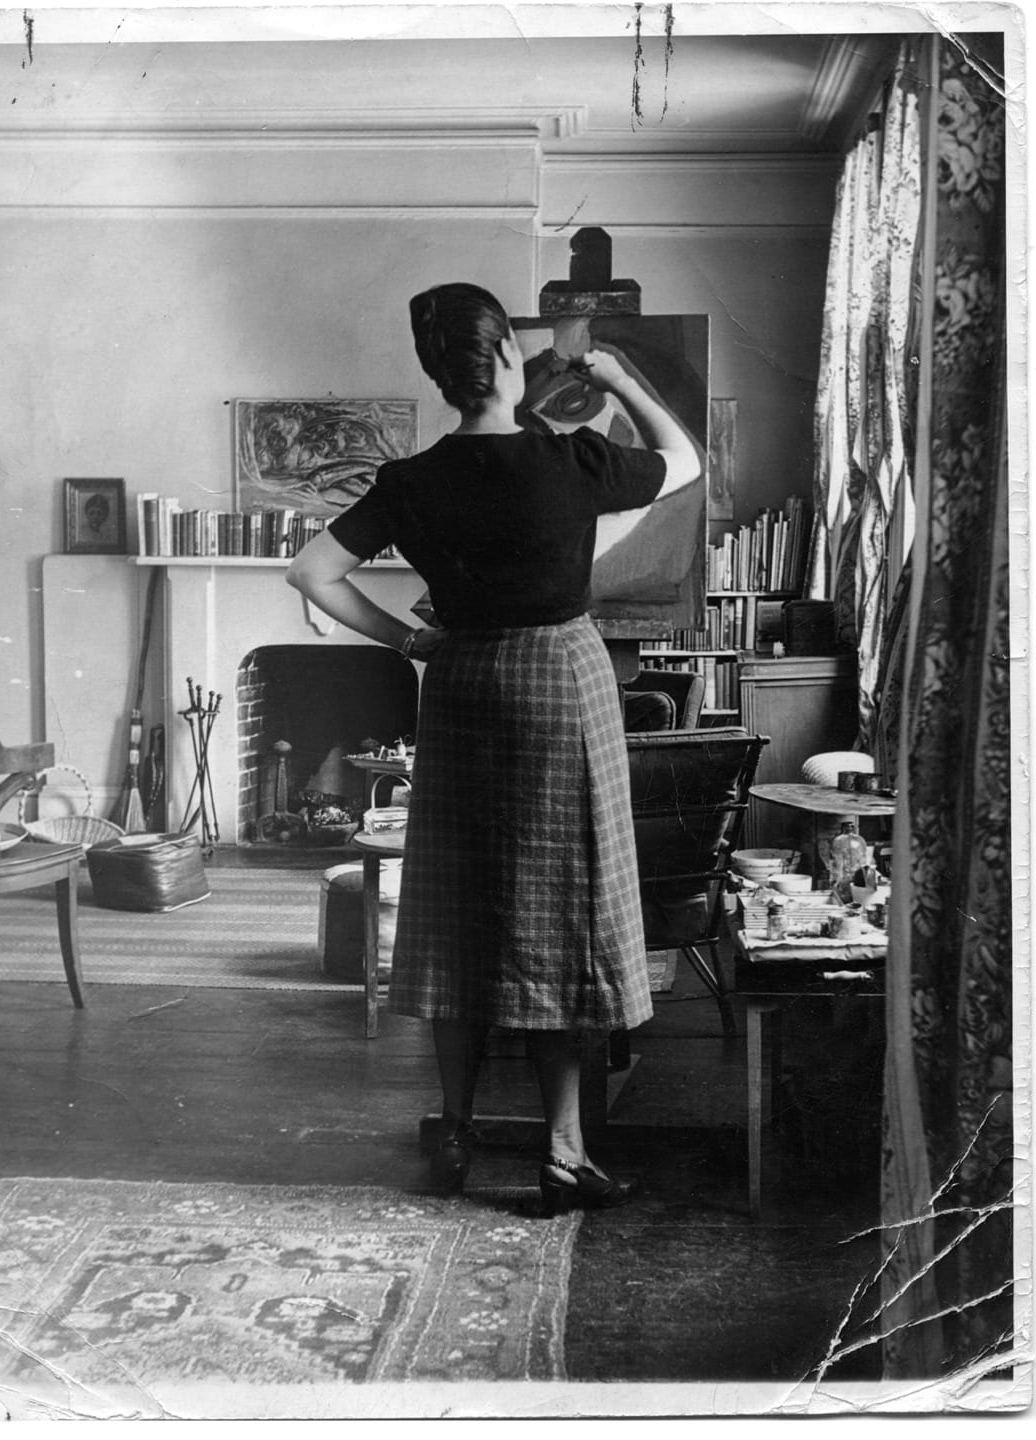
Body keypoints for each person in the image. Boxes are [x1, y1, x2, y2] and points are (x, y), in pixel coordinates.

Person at [286, 282, 701, 1215]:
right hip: (561, 689)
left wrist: (407, 640)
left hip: (464, 684)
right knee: (559, 916)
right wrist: (618, 378)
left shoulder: (410, 481)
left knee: (458, 913)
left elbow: (312, 571)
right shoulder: (574, 460)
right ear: (508, 357)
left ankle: (457, 1128)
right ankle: (563, 1153)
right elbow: (683, 461)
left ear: (439, 375)